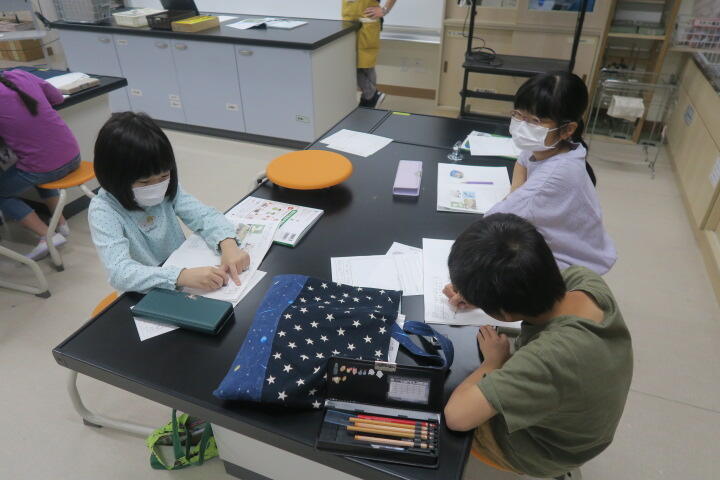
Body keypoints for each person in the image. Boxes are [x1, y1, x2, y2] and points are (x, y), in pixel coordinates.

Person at [442, 213, 633, 478]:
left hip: (547, 451)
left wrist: (493, 362)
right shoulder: (584, 280)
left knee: (439, 396)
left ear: (504, 313)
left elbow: (457, 417)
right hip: (579, 423)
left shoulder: (549, 359)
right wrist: (481, 295)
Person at [89, 112, 250, 293]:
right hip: (148, 291)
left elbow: (204, 216)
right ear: (114, 177)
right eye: (144, 182)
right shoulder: (104, 210)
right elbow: (119, 272)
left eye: (164, 176)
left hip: (183, 275)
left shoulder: (167, 189)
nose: (156, 186)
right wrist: (180, 276)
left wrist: (228, 244)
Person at [485, 70, 617, 275]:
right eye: (518, 114)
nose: (522, 125)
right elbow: (523, 160)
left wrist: (520, 200)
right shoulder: (555, 146)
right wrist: (516, 195)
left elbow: (490, 226)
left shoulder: (554, 175)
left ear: (567, 129)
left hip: (566, 269)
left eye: (535, 120)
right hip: (555, 247)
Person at [0, 69, 81, 259]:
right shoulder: (21, 74)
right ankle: (61, 224)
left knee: (2, 193)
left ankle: (48, 236)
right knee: (38, 169)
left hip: (45, 168)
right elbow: (57, 98)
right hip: (73, 155)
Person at [342, 0, 397, 108]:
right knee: (350, 64)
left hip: (366, 25)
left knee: (365, 64)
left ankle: (369, 97)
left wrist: (384, 10)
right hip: (348, 24)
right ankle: (370, 96)